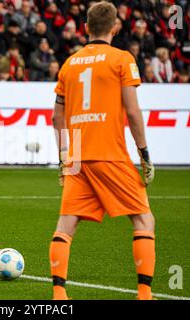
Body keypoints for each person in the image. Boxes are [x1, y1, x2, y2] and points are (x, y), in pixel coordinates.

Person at [49, 2, 155, 300]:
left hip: (77, 154)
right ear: (115, 27)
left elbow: (57, 117)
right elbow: (133, 112)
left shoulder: (70, 63)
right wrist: (144, 154)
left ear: (85, 28)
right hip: (110, 152)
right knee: (144, 220)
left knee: (66, 225)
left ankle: (59, 295)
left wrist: (63, 158)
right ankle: (144, 294)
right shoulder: (122, 59)